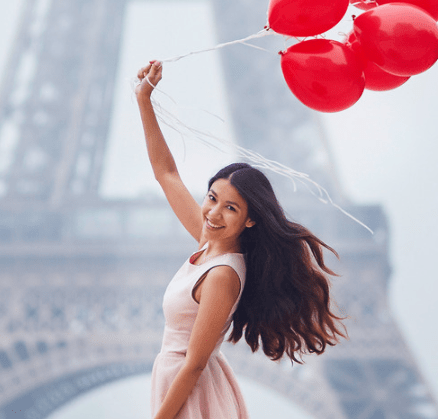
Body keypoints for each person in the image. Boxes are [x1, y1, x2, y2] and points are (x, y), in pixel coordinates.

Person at [136, 60, 346, 419]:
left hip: (188, 390)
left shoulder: (221, 274)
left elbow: (195, 365)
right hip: (176, 382)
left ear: (250, 220)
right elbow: (166, 173)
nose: (214, 213)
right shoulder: (208, 243)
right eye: (212, 198)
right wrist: (144, 100)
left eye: (230, 208)